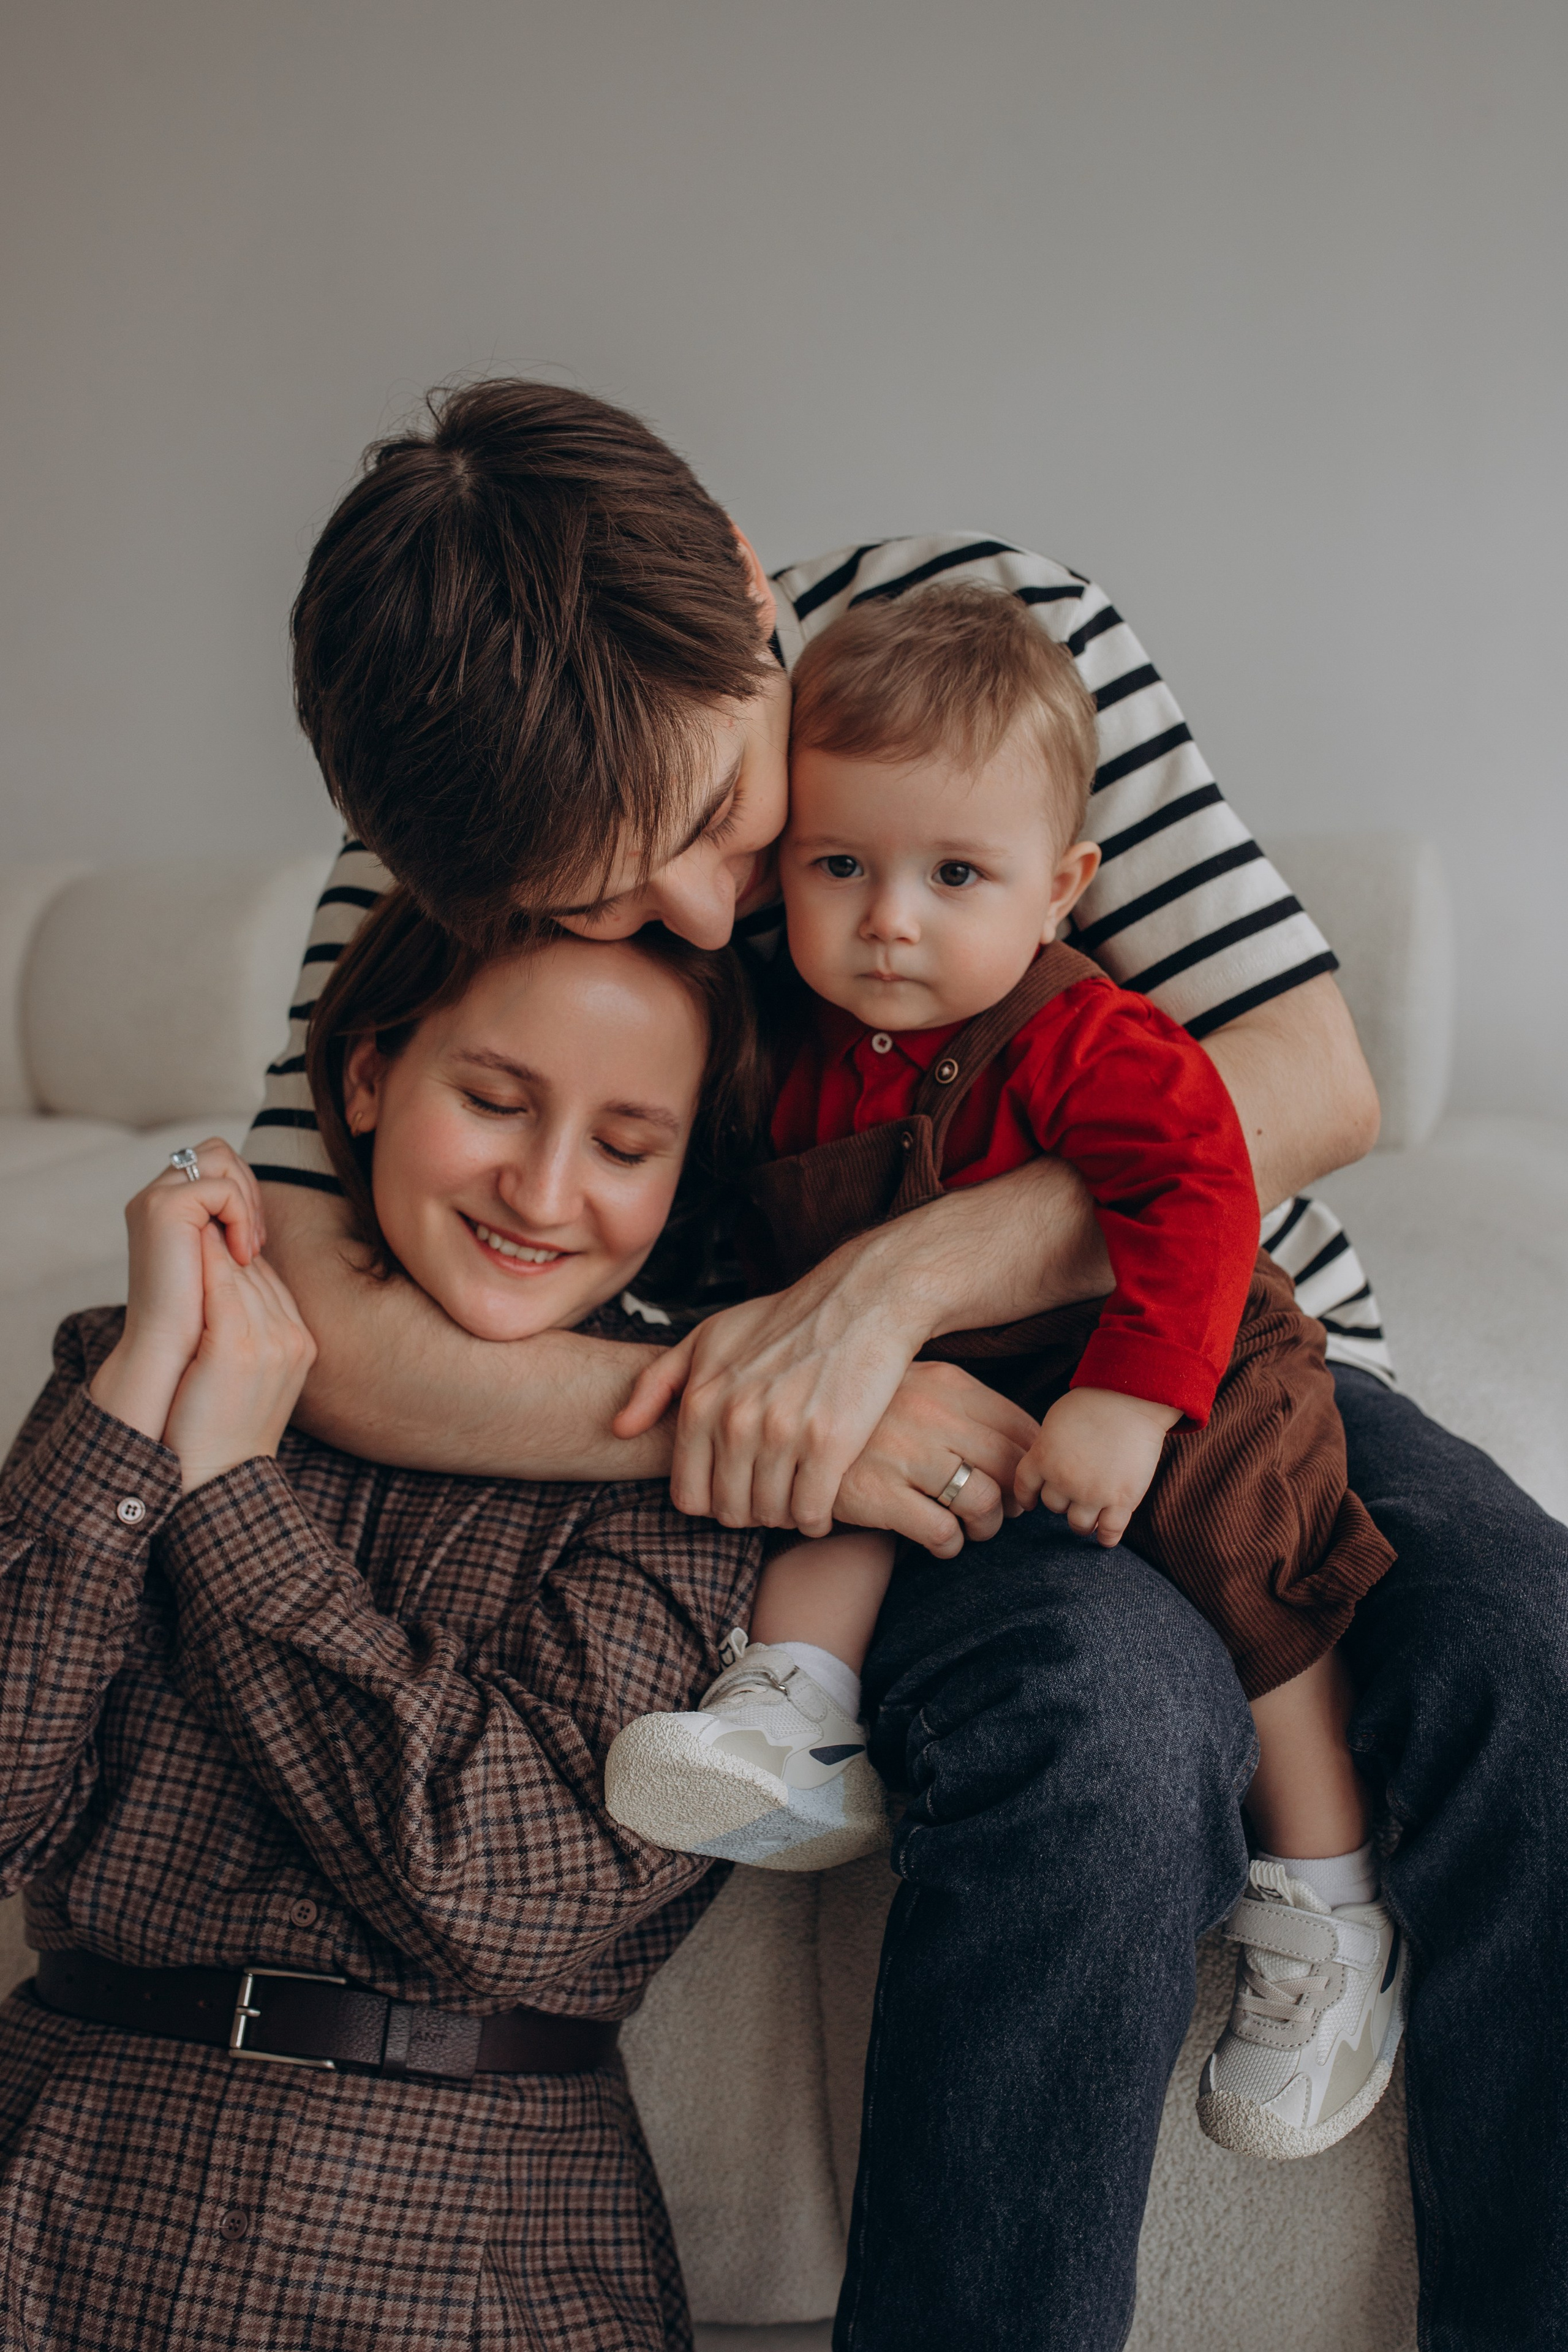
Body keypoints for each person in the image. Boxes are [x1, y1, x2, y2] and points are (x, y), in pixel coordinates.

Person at [246, 380, 1568, 2350]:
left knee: (1529, 1654)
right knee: (1103, 1747)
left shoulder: (985, 628)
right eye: (595, 909)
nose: (706, 916)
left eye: (714, 820)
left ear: (749, 601)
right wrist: (771, 1399)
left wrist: (877, 1295)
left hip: (1205, 1343)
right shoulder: (445, 828)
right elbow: (330, 1329)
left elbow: (1311, 1078)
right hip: (912, 1471)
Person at [603, 583, 1406, 2162]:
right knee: (830, 1473)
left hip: (1171, 1359)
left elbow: (1197, 1190)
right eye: (840, 867)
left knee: (1253, 1566)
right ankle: (796, 1713)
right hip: (947, 1380)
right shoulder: (791, 1042)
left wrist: (1131, 1396)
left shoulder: (1085, 1038)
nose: (887, 917)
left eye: (951, 875)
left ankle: (1325, 1898)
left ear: (1061, 886)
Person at [0, 908, 774, 2351]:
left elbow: (501, 1894)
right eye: (492, 1100)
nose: (543, 1191)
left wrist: (228, 1492)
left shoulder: (700, 1480)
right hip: (46, 2182)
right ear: (365, 1080)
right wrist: (138, 1394)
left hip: (449, 2236)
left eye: (624, 1145)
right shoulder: (144, 1366)